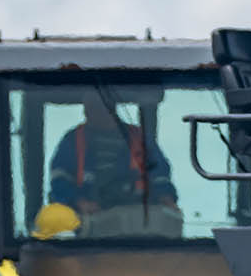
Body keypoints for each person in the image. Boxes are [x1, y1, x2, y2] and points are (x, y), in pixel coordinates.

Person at [47, 92, 179, 237]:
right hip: (89, 232)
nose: (90, 111)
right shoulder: (73, 140)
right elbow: (59, 179)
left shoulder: (139, 138)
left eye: (98, 106)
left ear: (112, 107)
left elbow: (159, 174)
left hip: (140, 225)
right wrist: (78, 201)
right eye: (89, 106)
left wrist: (166, 197)